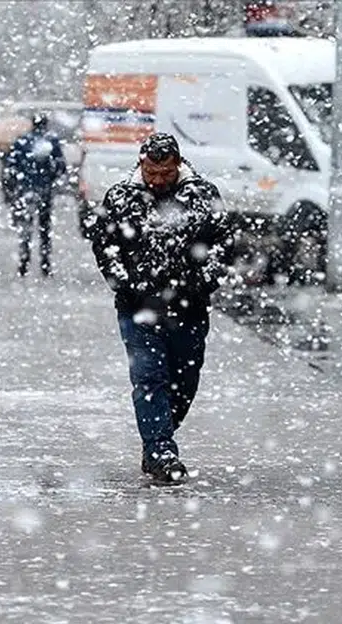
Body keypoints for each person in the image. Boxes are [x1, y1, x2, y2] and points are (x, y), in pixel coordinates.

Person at [82, 133, 232, 485]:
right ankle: (161, 449)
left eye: (165, 173)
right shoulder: (120, 198)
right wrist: (126, 285)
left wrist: (204, 281)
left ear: (178, 165)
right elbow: (106, 248)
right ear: (141, 164)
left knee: (184, 382)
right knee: (149, 379)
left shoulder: (203, 196)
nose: (159, 180)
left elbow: (224, 244)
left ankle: (159, 434)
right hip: (139, 309)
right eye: (152, 172)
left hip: (189, 308)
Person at [1, 114, 66, 277]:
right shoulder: (51, 142)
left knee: (26, 228)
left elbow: (11, 166)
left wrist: (15, 185)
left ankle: (24, 262)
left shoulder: (22, 141)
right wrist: (51, 179)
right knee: (44, 228)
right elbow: (60, 166)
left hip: (25, 190)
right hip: (44, 191)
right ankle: (45, 263)